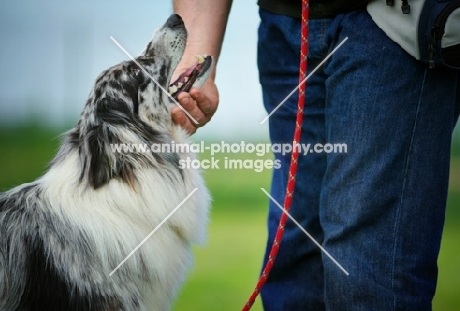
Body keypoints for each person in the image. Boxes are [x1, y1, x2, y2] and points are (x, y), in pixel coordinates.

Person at [171, 0, 460, 310]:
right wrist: (197, 58)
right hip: (283, 22)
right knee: (294, 264)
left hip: (394, 22)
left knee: (368, 271)